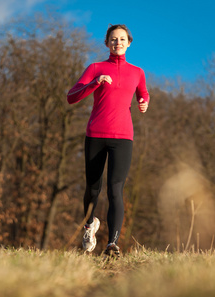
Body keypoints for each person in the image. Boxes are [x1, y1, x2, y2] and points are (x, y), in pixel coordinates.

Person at [67, 24, 150, 257]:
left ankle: (112, 244)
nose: (118, 43)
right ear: (107, 43)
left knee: (116, 190)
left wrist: (144, 101)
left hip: (123, 138)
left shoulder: (137, 72)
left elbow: (143, 92)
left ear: (129, 42)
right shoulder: (95, 67)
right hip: (95, 134)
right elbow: (71, 97)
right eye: (113, 39)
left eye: (122, 39)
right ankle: (89, 227)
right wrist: (96, 82)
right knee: (93, 188)